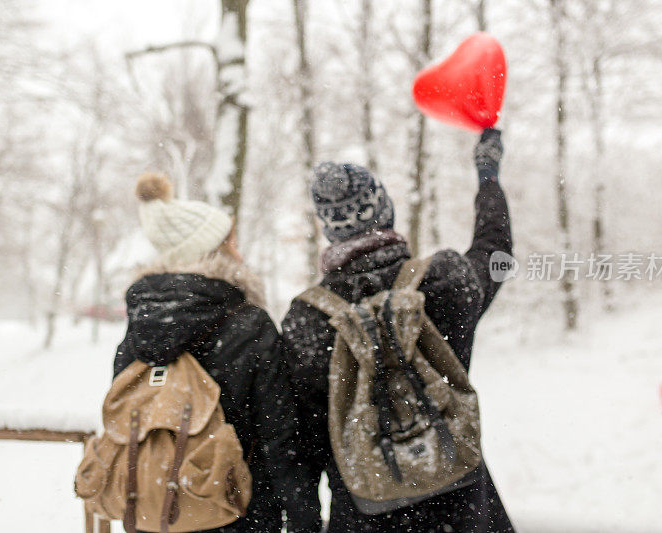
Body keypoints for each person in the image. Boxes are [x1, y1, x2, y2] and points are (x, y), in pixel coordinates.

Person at [281, 129, 515, 532]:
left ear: (331, 230)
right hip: (459, 500)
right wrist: (488, 174)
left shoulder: (307, 320)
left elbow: (304, 446)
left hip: (362, 512)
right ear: (384, 210)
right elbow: (496, 253)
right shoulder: (444, 281)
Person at [113, 173, 320, 533]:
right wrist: (304, 517)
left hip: (161, 511)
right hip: (239, 509)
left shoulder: (140, 328)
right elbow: (281, 435)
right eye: (231, 242)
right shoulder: (249, 323)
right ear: (214, 251)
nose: (239, 252)